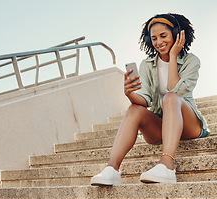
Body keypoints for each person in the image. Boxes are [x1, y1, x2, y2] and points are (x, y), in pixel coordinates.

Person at [90, 13, 210, 185]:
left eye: (163, 36)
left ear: (176, 34)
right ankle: (112, 169)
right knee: (134, 109)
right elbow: (144, 101)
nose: (158, 42)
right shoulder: (147, 65)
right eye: (154, 38)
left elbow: (174, 90)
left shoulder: (191, 61)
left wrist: (174, 56)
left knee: (170, 98)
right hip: (161, 125)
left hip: (190, 124)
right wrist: (129, 93)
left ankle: (167, 166)